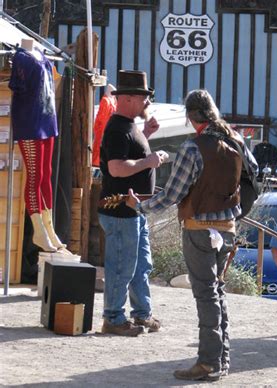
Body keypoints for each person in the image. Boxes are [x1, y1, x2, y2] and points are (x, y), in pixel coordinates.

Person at [126, 89, 258, 381]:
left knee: (206, 295)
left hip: (199, 228)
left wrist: (141, 207)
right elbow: (254, 170)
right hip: (228, 228)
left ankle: (208, 363)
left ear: (190, 116)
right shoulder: (235, 140)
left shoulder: (193, 147)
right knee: (217, 292)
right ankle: (221, 360)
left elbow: (172, 194)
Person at [98, 70, 165, 337]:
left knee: (139, 264)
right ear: (126, 99)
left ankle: (141, 314)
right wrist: (150, 161)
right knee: (122, 266)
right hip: (121, 211)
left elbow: (126, 159)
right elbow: (116, 169)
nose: (147, 102)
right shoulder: (117, 128)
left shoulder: (127, 125)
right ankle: (113, 318)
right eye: (143, 97)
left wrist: (146, 134)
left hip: (132, 209)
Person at [9, 38, 65, 252]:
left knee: (45, 174)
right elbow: (18, 91)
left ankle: (49, 226)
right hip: (30, 123)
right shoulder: (21, 58)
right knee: (34, 175)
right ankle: (38, 230)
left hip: (47, 120)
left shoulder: (41, 53)